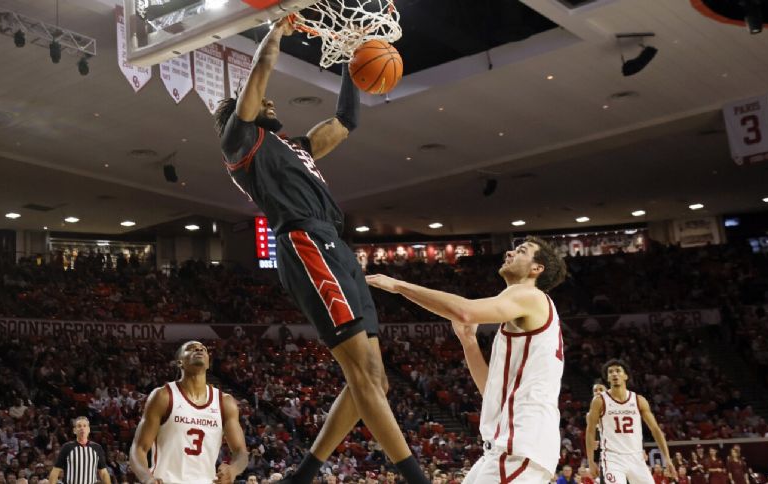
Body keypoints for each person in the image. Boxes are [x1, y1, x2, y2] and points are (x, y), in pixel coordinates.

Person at [214, 16, 428, 484]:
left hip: (336, 245)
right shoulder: (240, 140)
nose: (270, 101)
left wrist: (355, 62)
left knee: (377, 380)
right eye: (259, 102)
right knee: (365, 374)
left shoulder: (297, 145)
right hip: (304, 241)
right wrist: (276, 28)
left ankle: (304, 475)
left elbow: (346, 121)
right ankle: (417, 478)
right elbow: (261, 70)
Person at [370, 237, 568, 483]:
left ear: (537, 269)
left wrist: (398, 286)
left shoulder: (530, 295)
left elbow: (465, 311)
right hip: (506, 446)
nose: (509, 252)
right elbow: (491, 391)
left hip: (520, 444)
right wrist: (469, 343)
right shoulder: (524, 317)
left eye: (521, 251)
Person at [129, 341, 248, 484]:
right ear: (180, 362)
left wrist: (233, 470)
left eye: (203, 349)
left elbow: (241, 451)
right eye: (191, 349)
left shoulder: (225, 402)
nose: (198, 349)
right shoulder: (163, 396)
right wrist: (147, 478)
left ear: (209, 363)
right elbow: (139, 448)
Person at [585, 360, 676, 484]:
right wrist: (590, 461)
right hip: (612, 458)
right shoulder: (599, 401)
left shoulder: (638, 400)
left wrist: (668, 459)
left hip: (636, 457)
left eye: (618, 371)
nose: (614, 374)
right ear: (607, 378)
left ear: (625, 376)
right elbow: (590, 431)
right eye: (610, 372)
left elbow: (655, 430)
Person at [48, 416, 111, 484]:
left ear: (89, 429)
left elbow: (104, 473)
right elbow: (55, 471)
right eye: (79, 426)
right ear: (74, 430)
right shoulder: (67, 447)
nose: (82, 428)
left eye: (84, 426)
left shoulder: (97, 448)